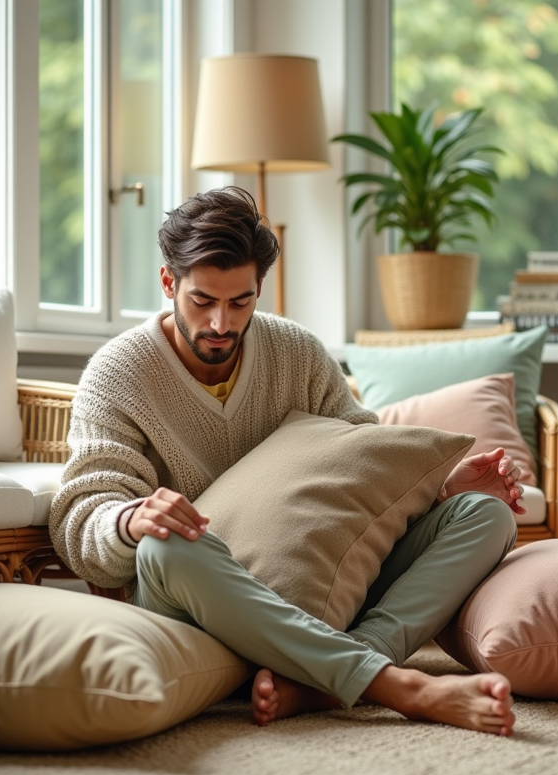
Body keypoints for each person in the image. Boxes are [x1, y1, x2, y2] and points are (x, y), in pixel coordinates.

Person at [49, 186, 526, 736]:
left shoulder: (296, 352)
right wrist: (131, 521)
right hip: (199, 595)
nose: (221, 324)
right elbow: (79, 523)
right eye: (202, 301)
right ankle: (399, 686)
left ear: (259, 288)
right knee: (165, 544)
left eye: (241, 302)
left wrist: (439, 489)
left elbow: (358, 462)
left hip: (322, 578)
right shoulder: (117, 375)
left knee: (486, 516)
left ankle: (331, 673)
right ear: (168, 283)